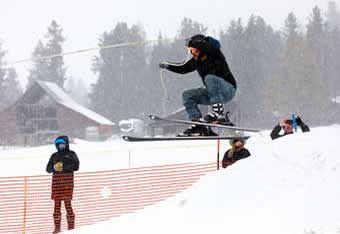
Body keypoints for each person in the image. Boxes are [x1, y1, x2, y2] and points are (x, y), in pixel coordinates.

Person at [159, 34, 237, 136]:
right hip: (213, 93)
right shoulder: (197, 61)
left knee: (209, 78)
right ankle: (199, 125)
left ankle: (218, 113)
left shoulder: (214, 53)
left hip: (228, 89)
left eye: (194, 49)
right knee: (187, 95)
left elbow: (208, 46)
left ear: (200, 46)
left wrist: (193, 42)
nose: (192, 52)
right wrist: (168, 66)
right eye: (190, 50)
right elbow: (183, 68)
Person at [46, 136, 79, 233]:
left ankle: (71, 228)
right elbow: (48, 169)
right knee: (56, 206)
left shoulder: (71, 154)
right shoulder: (54, 155)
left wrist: (64, 167)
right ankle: (57, 228)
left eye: (63, 144)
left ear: (66, 144)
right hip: (56, 185)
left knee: (68, 205)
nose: (61, 146)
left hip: (67, 184)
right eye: (59, 144)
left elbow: (76, 166)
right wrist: (54, 168)